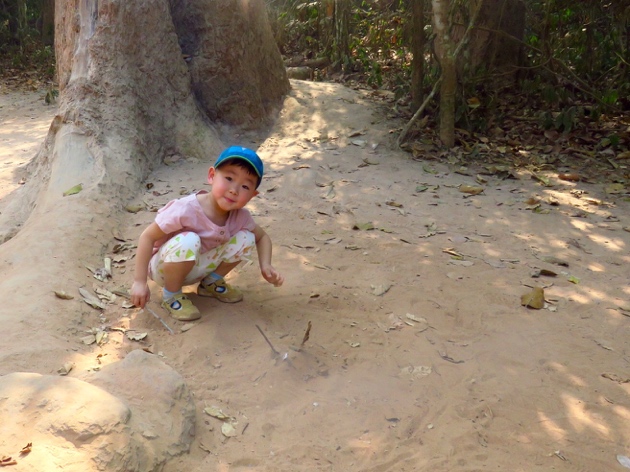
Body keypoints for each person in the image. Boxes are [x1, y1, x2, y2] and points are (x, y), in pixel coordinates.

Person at [130, 146, 284, 321]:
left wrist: (266, 265)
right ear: (211, 175)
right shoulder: (186, 208)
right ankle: (171, 295)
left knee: (246, 237)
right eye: (228, 178)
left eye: (245, 186)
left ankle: (210, 283)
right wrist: (140, 282)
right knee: (189, 240)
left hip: (199, 266)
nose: (234, 189)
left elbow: (262, 237)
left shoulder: (240, 217)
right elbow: (147, 237)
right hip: (165, 268)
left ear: (252, 195)